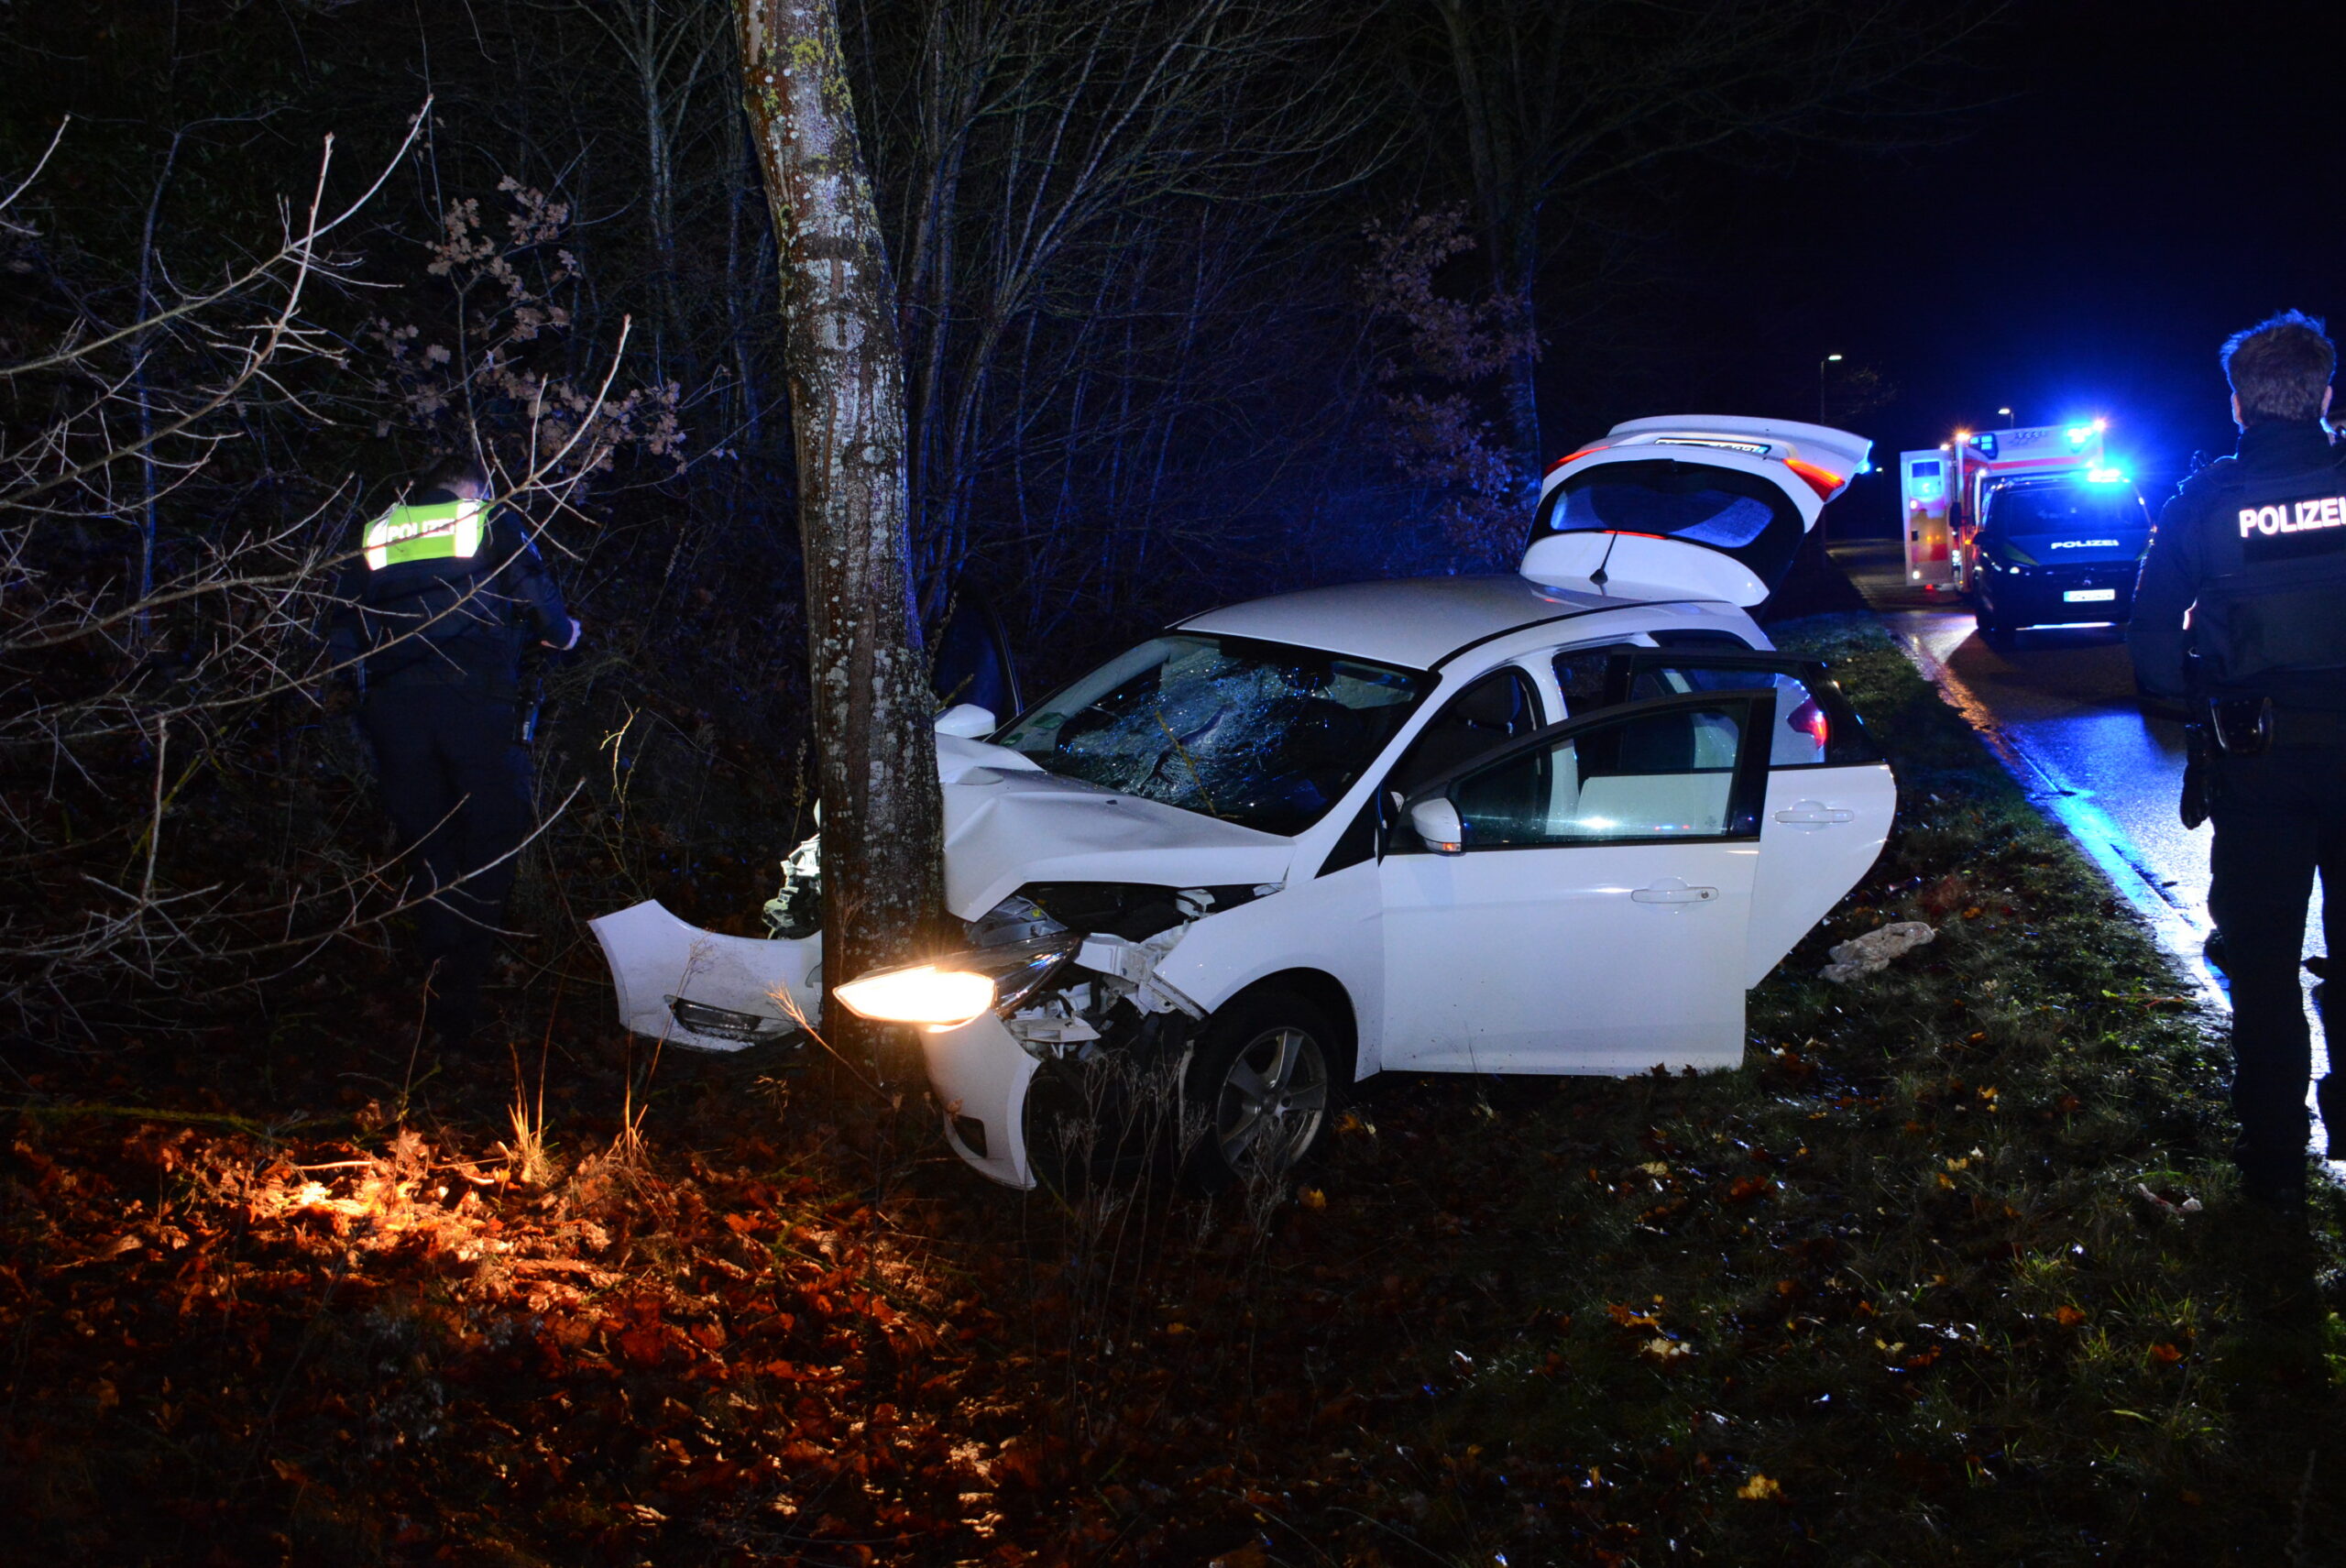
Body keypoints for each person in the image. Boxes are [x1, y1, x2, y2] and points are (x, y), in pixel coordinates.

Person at [2131, 310, 2346, 1214]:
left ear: (2237, 405)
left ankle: (2273, 1178)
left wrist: (2184, 712)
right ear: (2324, 393)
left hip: (2255, 770)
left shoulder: (2204, 504)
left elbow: (2148, 631)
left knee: (2260, 971)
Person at [329, 457, 580, 1048]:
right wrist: (563, 634)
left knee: (426, 843)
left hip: (394, 712)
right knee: (491, 836)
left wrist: (349, 689)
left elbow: (343, 621)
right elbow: (539, 598)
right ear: (474, 488)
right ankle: (466, 995)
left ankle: (436, 983)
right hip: (474, 705)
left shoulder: (376, 529)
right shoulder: (489, 518)